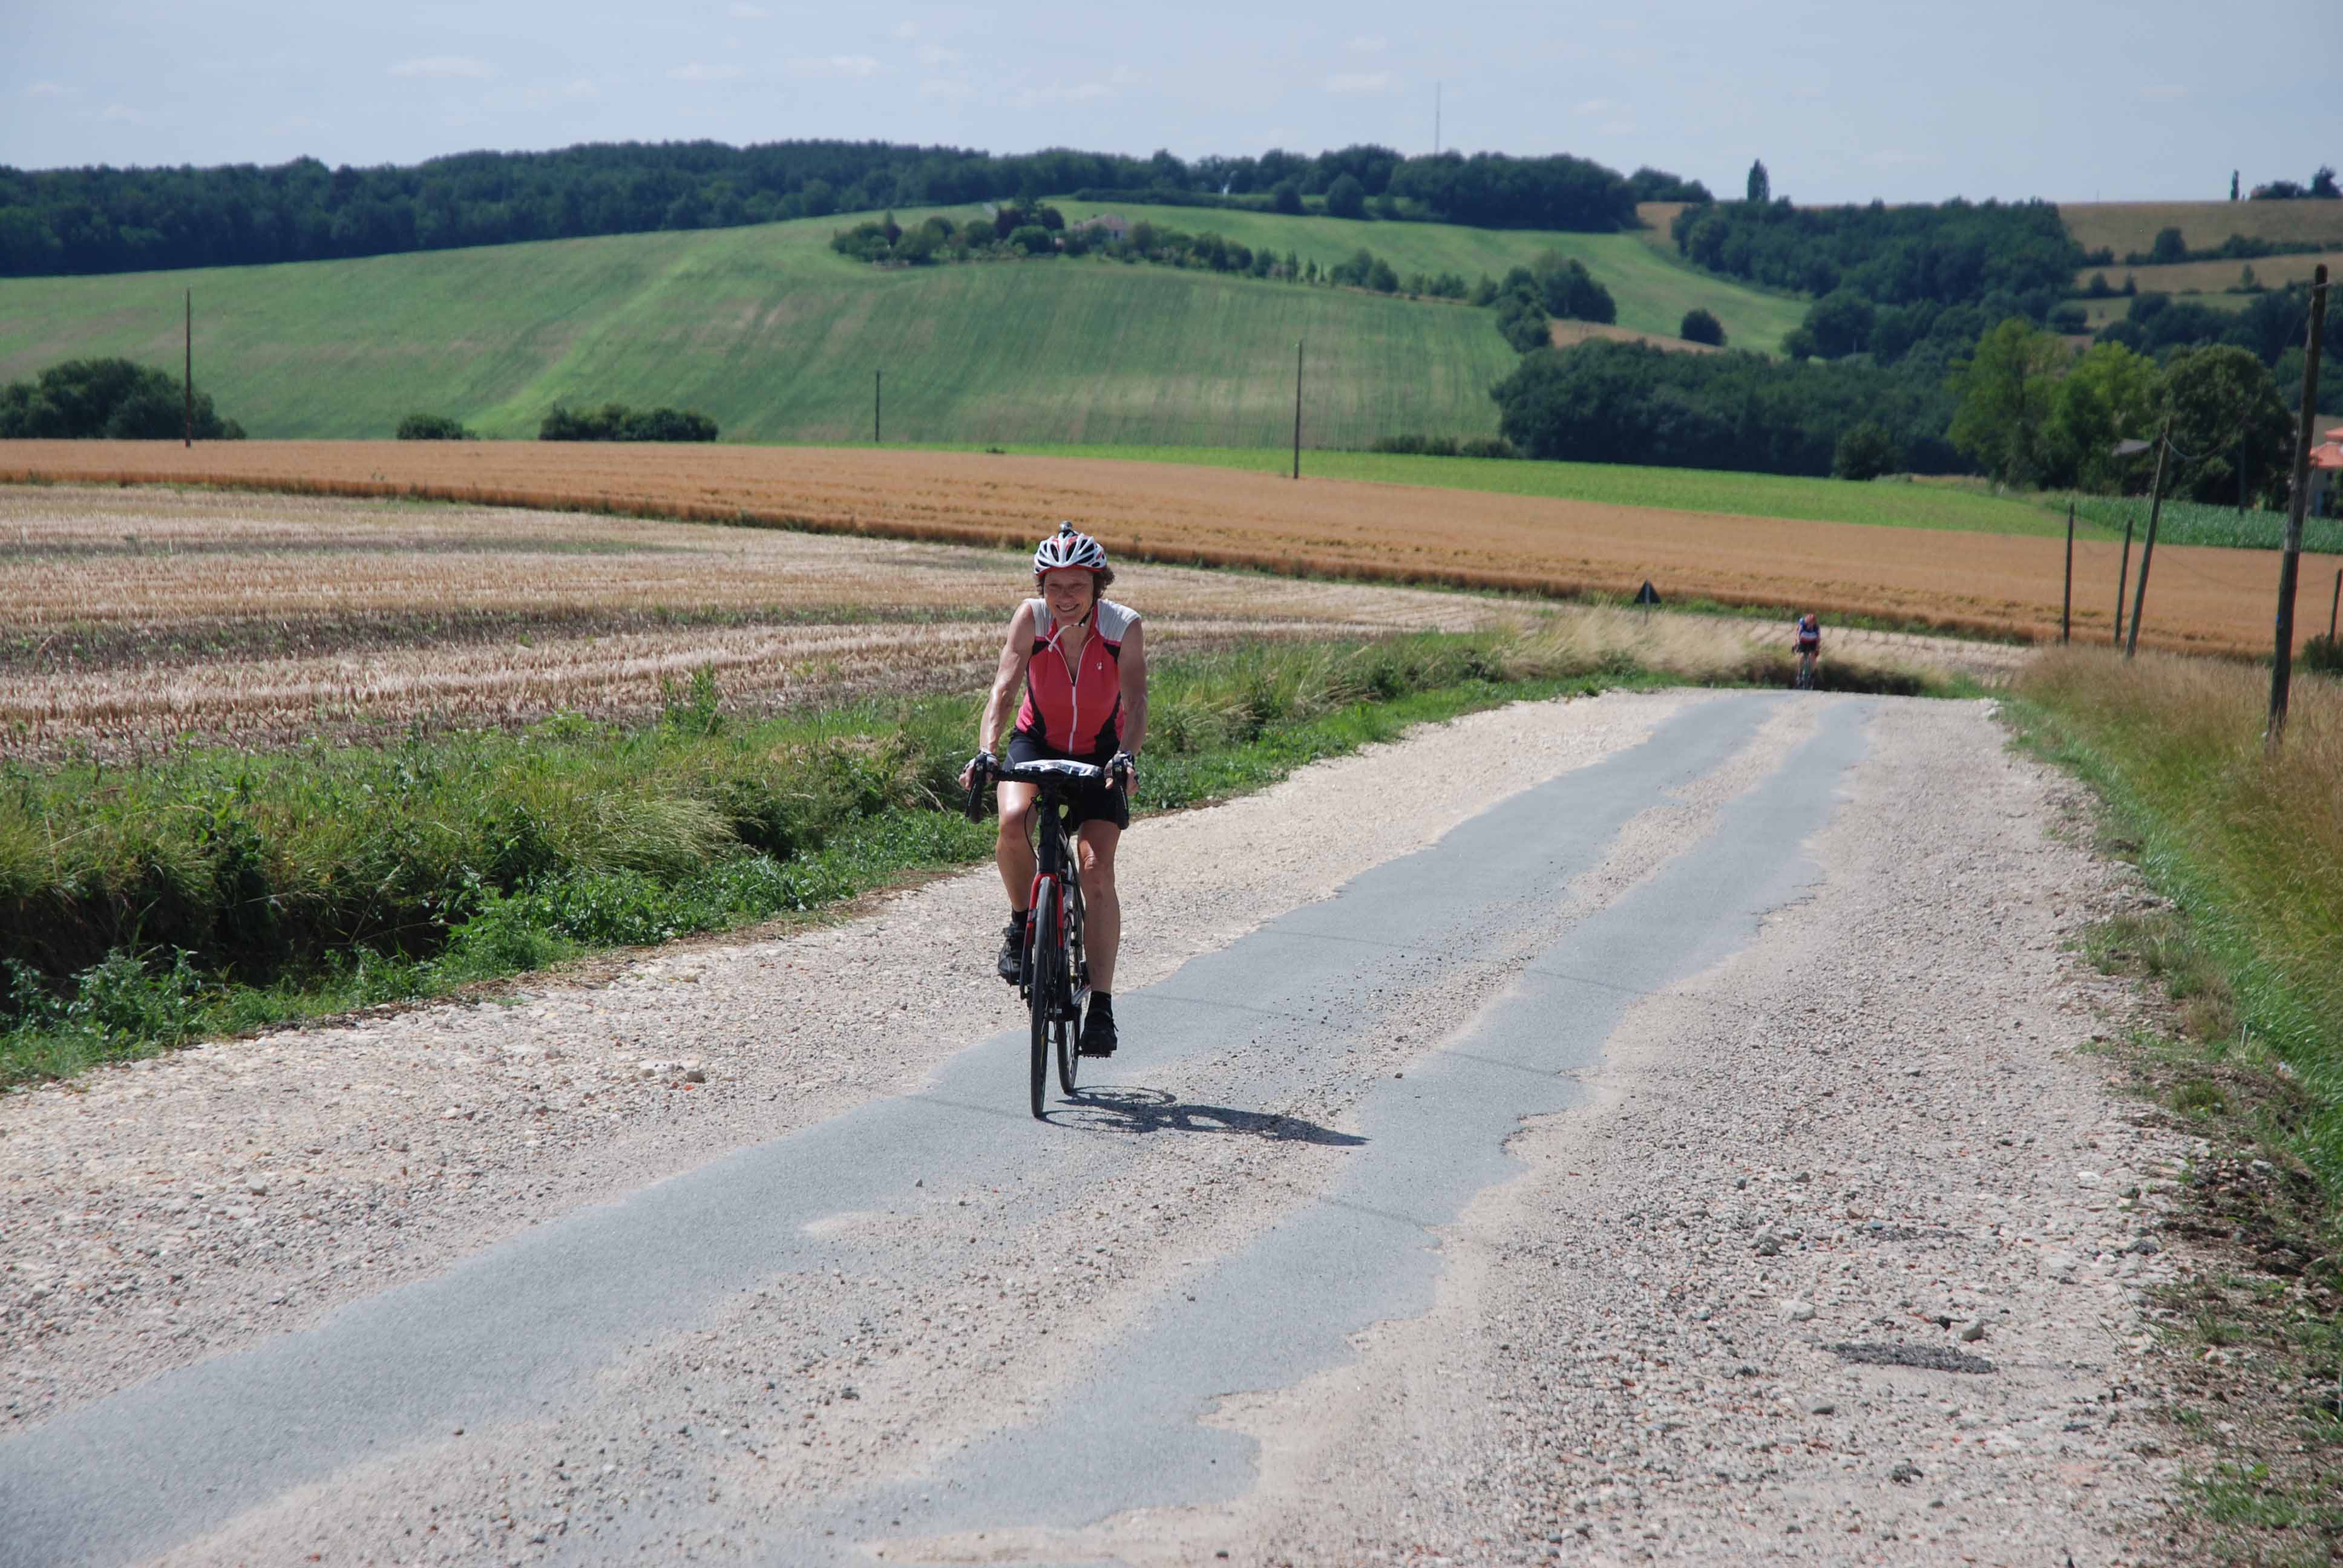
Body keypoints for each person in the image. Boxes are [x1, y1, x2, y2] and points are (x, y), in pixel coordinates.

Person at [960, 524, 1148, 1057]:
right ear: (1042, 586)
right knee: (1012, 823)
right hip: (1035, 740)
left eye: (1078, 587)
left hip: (1101, 752)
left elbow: (1135, 702)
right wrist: (987, 749)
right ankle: (1023, 927)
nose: (1065, 599)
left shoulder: (1122, 627)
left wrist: (1126, 756)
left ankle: (1103, 1008)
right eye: (1055, 587)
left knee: (1094, 868)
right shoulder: (1032, 618)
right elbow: (1003, 686)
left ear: (1097, 586)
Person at [1793, 610, 1822, 687]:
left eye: (1813, 622)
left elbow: (1818, 639)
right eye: (1810, 622)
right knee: (1802, 656)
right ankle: (1799, 675)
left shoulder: (1816, 627)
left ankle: (1813, 674)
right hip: (1803, 641)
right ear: (1807, 621)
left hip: (1813, 642)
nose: (1811, 624)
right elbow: (1798, 635)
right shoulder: (1803, 625)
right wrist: (1797, 643)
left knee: (1812, 656)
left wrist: (1817, 648)